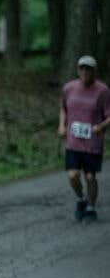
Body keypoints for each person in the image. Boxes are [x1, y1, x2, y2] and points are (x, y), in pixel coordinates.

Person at [58, 55, 110, 222]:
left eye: (88, 69)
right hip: (73, 141)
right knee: (72, 175)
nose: (85, 72)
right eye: (82, 68)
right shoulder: (69, 88)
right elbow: (63, 108)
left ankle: (91, 208)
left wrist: (100, 126)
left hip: (92, 143)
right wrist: (61, 125)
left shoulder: (102, 91)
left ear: (94, 71)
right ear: (78, 70)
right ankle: (81, 198)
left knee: (90, 177)